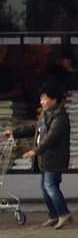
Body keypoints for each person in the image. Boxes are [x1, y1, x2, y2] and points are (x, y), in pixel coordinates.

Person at [3, 79, 73, 228]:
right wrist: (15, 132)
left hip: (54, 158)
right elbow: (34, 128)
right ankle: (53, 215)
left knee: (50, 186)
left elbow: (51, 137)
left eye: (45, 98)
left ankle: (63, 213)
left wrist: (36, 150)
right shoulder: (45, 115)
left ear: (54, 99)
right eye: (41, 98)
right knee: (45, 187)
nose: (42, 101)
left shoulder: (60, 117)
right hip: (45, 158)